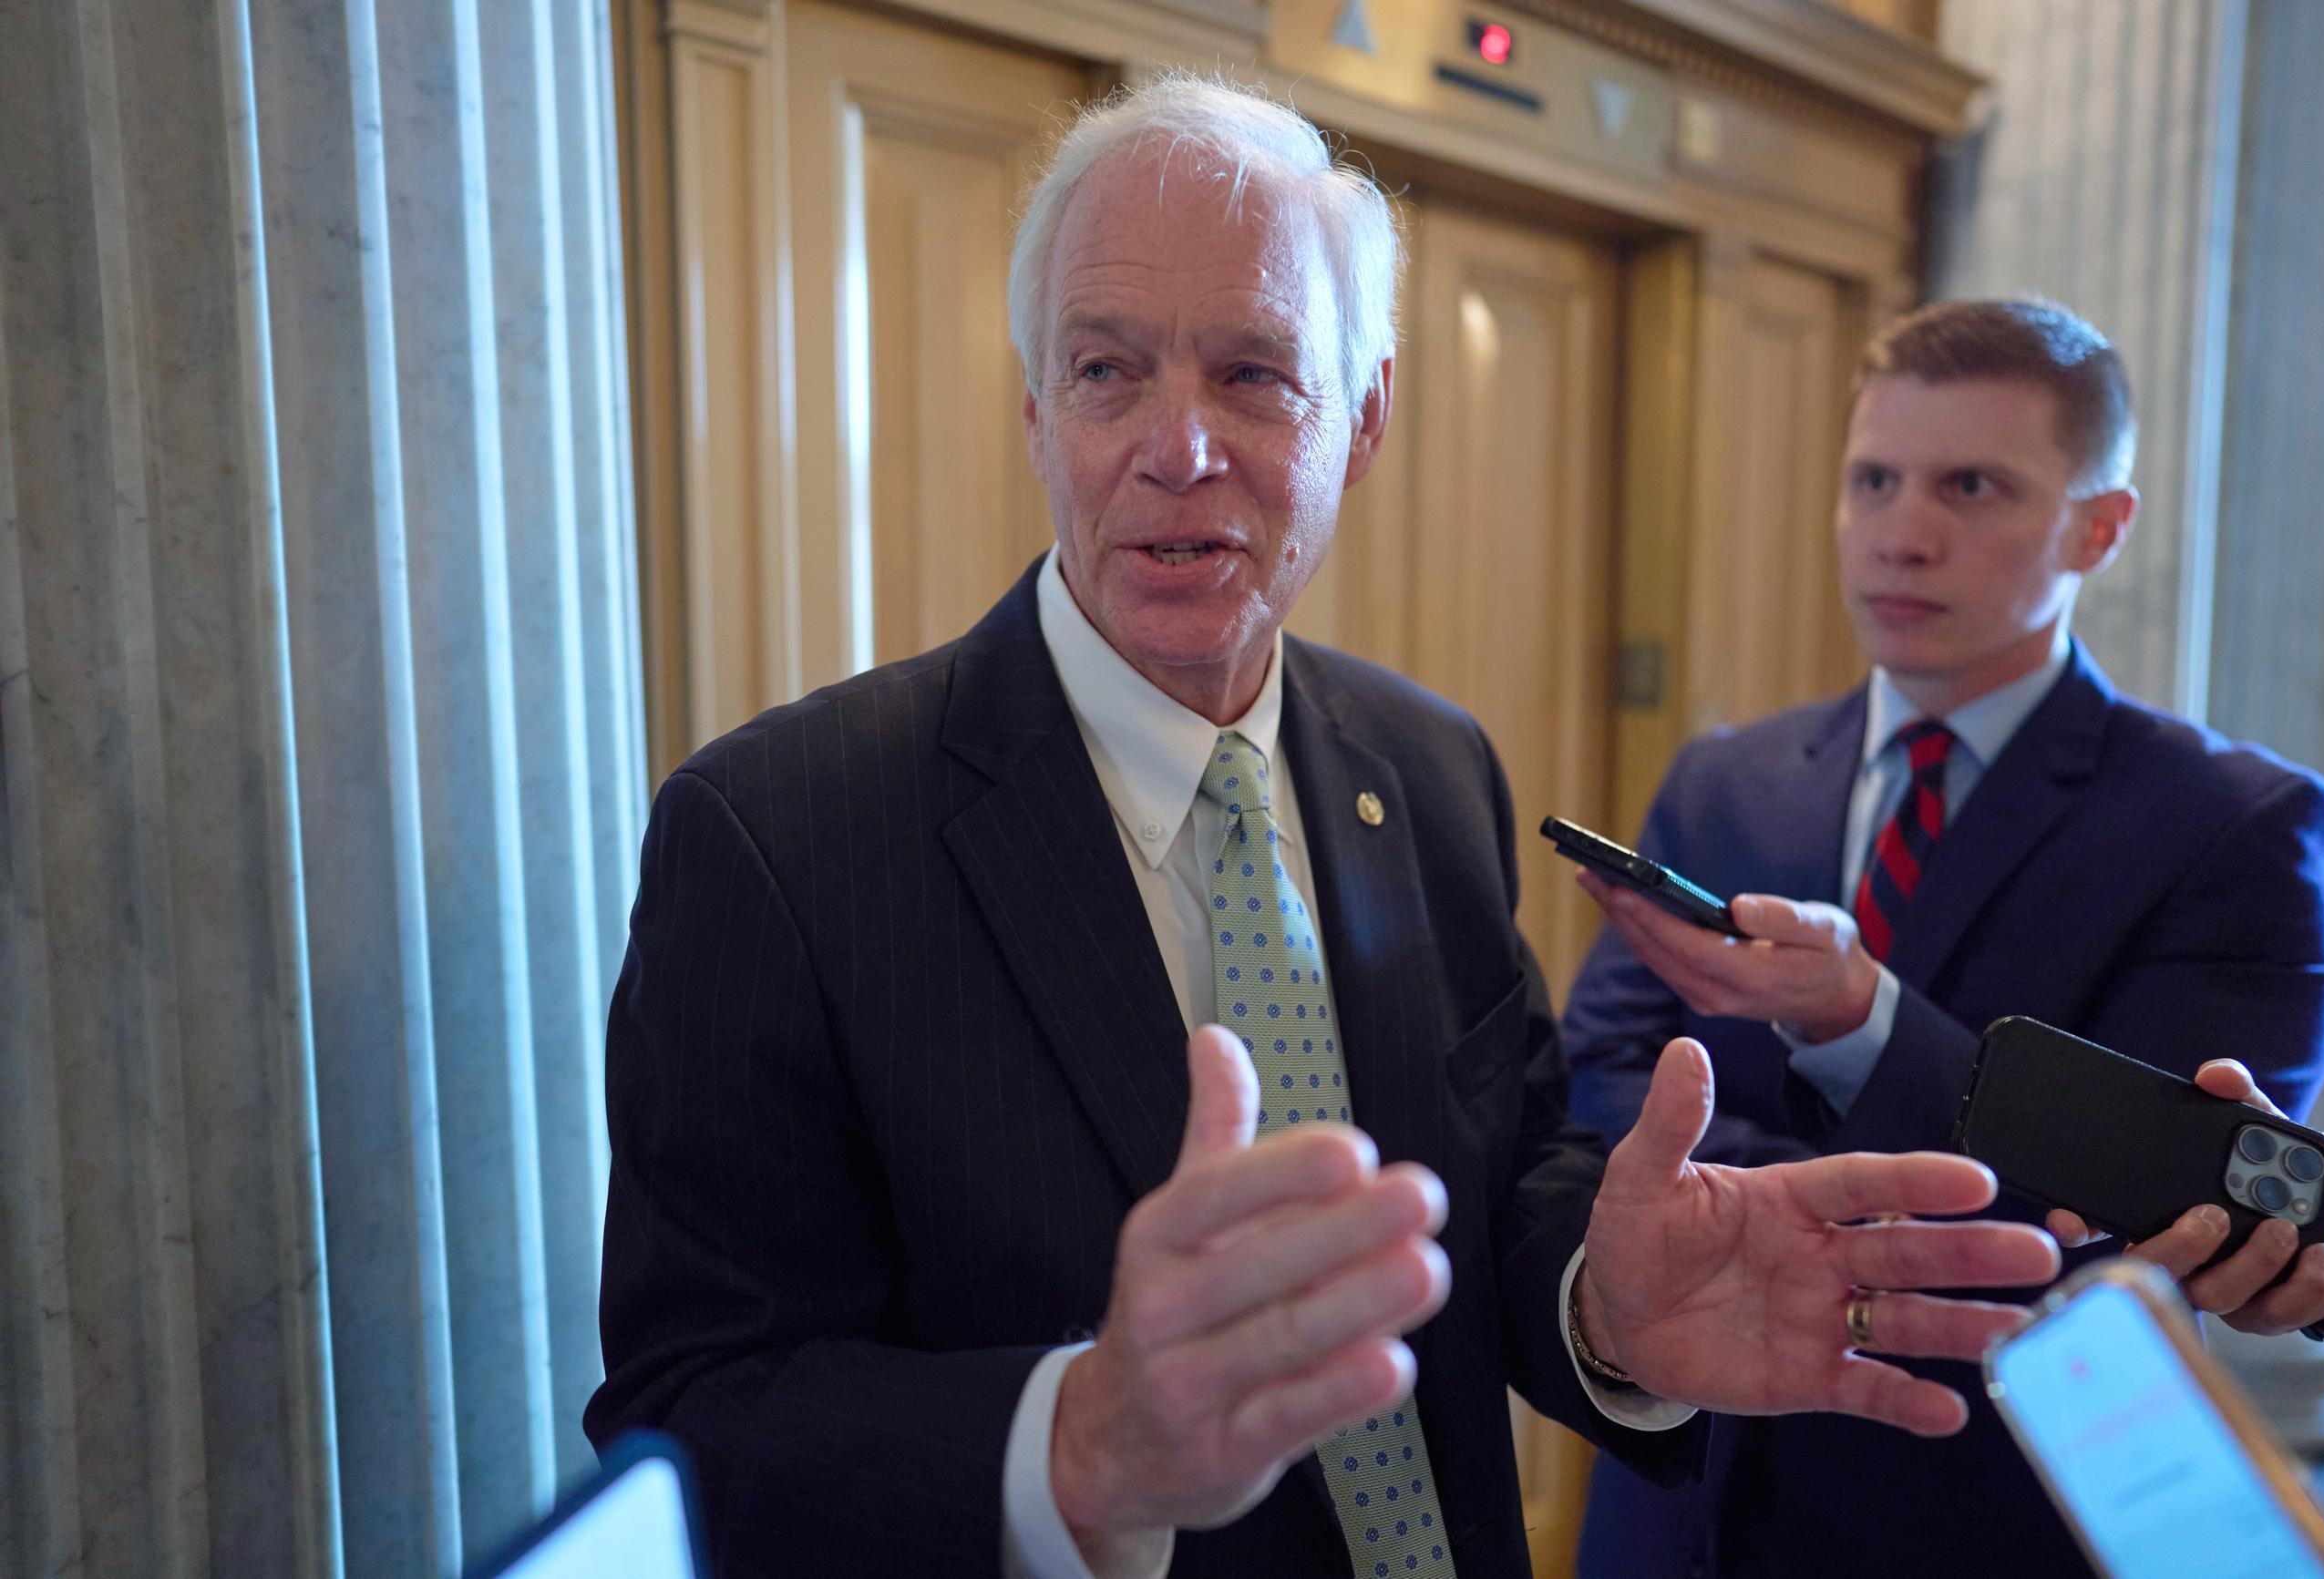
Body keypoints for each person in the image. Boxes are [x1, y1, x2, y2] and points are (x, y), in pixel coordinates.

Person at [584, 81, 2061, 1579]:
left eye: (1253, 373)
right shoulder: (777, 837)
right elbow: (691, 1415)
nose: (1177, 446)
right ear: (1037, 411)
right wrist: (1075, 1443)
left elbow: (1503, 1177)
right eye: (1105, 370)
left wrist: (1605, 1307)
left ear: (1363, 418)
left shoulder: (1430, 764)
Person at [1558, 297, 2324, 1578]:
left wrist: (1861, 1020)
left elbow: (2152, 1205)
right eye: (1873, 480)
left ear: (2100, 526)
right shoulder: (1729, 779)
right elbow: (1599, 1068)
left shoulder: (2240, 828)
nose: (1902, 533)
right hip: (1681, 1493)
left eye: (1971, 487)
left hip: (1980, 1505)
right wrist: (1755, 1217)